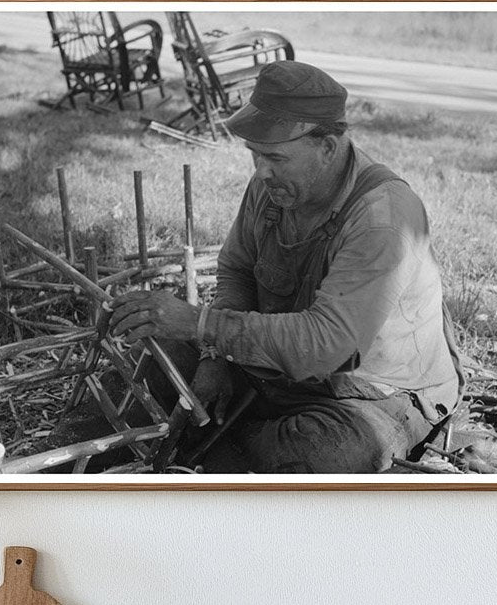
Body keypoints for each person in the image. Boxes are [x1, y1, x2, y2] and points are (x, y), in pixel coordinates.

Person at [109, 60, 462, 473]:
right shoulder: (273, 184)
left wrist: (201, 325)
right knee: (155, 365)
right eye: (254, 155)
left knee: (313, 457)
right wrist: (214, 357)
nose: (261, 172)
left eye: (274, 157)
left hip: (375, 395)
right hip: (278, 371)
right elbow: (237, 269)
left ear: (328, 147)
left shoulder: (384, 217)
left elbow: (328, 346)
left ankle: (214, 452)